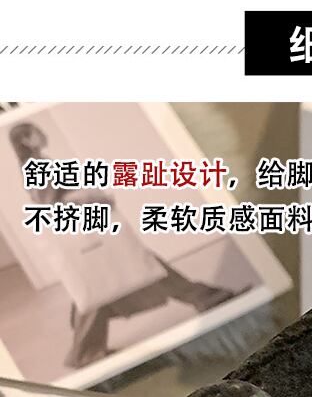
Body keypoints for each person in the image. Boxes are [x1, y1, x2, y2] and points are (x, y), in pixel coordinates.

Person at [9, 121, 232, 368]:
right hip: (87, 234)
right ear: (25, 140)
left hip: (89, 232)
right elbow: (51, 205)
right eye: (35, 133)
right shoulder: (36, 166)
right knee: (121, 278)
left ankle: (205, 298)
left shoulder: (39, 162)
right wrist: (92, 196)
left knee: (121, 277)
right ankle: (205, 298)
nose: (42, 134)